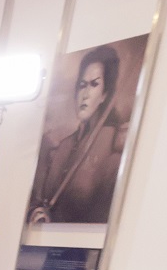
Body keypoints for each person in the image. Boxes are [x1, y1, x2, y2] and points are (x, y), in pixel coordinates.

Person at [28, 45, 127, 224]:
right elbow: (38, 198)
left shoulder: (113, 143)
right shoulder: (64, 145)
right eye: (82, 85)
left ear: (105, 94)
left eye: (94, 84)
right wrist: (36, 212)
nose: (85, 94)